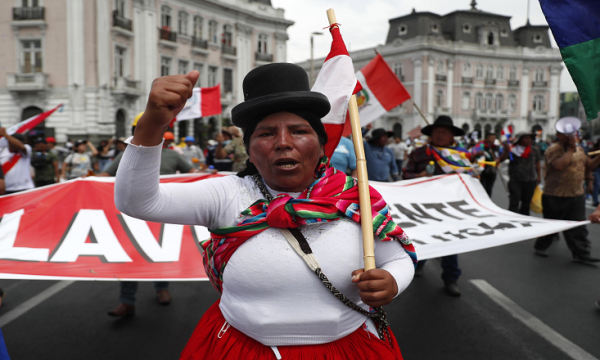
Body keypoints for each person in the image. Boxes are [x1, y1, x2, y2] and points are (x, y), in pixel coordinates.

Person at [115, 64, 416, 359]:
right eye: (266, 134)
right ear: (249, 149)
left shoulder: (356, 195)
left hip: (349, 348)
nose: (283, 143)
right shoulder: (227, 194)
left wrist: (391, 282)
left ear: (322, 146)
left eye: (299, 131)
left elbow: (397, 258)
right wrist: (152, 125)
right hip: (238, 348)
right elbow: (137, 201)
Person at [100, 132, 196, 317]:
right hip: (132, 215)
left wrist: (209, 175)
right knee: (130, 254)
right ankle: (126, 301)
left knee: (160, 252)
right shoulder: (129, 154)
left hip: (162, 213)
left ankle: (162, 288)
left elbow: (194, 175)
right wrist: (86, 182)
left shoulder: (173, 155)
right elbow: (104, 176)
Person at [403, 115, 467, 297]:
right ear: (431, 134)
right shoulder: (419, 153)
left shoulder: (459, 156)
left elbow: (469, 179)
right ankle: (419, 264)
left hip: (450, 208)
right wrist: (418, 176)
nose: (441, 135)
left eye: (445, 132)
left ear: (452, 135)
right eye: (437, 131)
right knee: (420, 240)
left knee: (450, 243)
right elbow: (405, 174)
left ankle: (451, 279)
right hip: (422, 207)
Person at [534, 118, 600, 263]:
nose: (572, 137)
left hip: (576, 194)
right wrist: (570, 149)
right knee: (552, 226)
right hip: (555, 195)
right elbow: (559, 165)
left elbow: (588, 167)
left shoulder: (580, 150)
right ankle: (541, 246)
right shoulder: (553, 149)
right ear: (559, 135)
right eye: (567, 134)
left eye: (573, 134)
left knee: (577, 226)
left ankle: (581, 253)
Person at [496, 132, 541, 215]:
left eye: (529, 138)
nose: (529, 140)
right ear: (520, 140)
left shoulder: (534, 149)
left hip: (530, 180)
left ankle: (524, 220)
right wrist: (506, 151)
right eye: (526, 138)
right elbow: (501, 160)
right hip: (515, 180)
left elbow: (537, 162)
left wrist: (539, 176)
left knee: (526, 203)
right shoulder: (512, 150)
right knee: (514, 202)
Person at [0, 130, 35, 194]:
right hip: (7, 189)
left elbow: (21, 146)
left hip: (25, 188)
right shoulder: (2, 152)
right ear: (9, 142)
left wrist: (5, 134)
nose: (18, 144)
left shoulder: (26, 149)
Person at [471, 132, 499, 196]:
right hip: (481, 172)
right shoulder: (480, 146)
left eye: (494, 138)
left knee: (489, 189)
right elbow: (472, 158)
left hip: (492, 172)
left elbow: (500, 156)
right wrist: (478, 154)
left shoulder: (496, 147)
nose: (493, 140)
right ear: (486, 138)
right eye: (491, 138)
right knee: (481, 189)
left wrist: (498, 160)